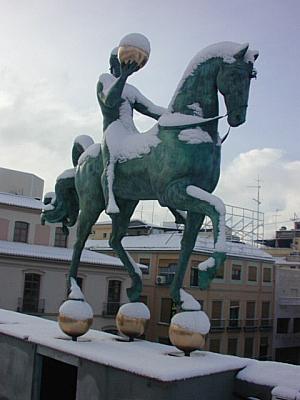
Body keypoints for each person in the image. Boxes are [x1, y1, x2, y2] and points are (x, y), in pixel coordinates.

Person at [97, 47, 167, 213]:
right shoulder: (105, 80)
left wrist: (177, 113)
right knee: (112, 159)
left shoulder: (131, 90)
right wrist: (123, 77)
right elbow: (110, 101)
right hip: (113, 129)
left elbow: (152, 109)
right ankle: (110, 199)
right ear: (113, 65)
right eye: (121, 65)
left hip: (130, 132)